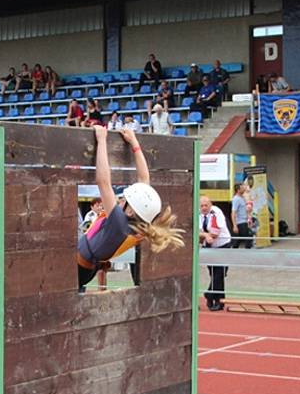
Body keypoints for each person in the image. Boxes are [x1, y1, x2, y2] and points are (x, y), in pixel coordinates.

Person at [77, 126, 183, 291]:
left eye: (123, 200)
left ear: (131, 210)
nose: (119, 201)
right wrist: (134, 144)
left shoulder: (119, 223)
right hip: (87, 266)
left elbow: (103, 182)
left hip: (79, 267)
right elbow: (144, 179)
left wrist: (102, 140)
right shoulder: (141, 225)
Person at [199, 195, 231, 310]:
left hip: (222, 246)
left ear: (210, 204)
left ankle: (209, 294)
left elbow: (215, 232)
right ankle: (218, 301)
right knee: (214, 274)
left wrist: (204, 234)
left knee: (220, 273)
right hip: (208, 247)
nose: (203, 208)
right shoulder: (199, 215)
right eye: (201, 206)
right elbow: (198, 232)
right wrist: (205, 235)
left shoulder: (216, 212)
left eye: (205, 205)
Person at [230, 183, 252, 249]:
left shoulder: (242, 197)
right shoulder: (236, 199)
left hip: (244, 221)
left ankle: (234, 251)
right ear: (238, 190)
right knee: (248, 239)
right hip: (240, 223)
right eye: (242, 188)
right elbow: (233, 213)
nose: (244, 189)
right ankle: (247, 254)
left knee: (238, 240)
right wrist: (235, 226)